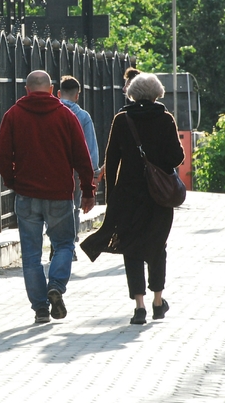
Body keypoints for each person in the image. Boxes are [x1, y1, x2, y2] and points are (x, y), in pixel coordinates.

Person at [80, 73, 185, 325]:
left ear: (132, 93)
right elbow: (176, 157)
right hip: (159, 197)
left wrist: (112, 196)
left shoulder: (122, 120)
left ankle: (139, 306)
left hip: (128, 194)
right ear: (158, 93)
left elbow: (112, 158)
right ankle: (158, 301)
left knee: (132, 247)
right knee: (157, 245)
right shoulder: (166, 119)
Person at [0, 70, 96, 323]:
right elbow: (82, 157)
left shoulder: (13, 115)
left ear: (27, 90)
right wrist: (87, 191)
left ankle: (40, 308)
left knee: (30, 255)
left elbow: (2, 156)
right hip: (59, 194)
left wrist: (12, 181)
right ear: (52, 90)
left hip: (27, 195)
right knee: (63, 245)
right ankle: (57, 286)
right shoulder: (66, 116)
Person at [57, 75, 101, 261]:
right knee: (73, 207)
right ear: (77, 96)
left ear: (58, 93)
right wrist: (94, 173)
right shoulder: (83, 116)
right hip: (75, 170)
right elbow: (90, 147)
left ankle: (55, 242)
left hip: (53, 167)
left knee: (53, 206)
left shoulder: (52, 112)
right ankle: (69, 246)